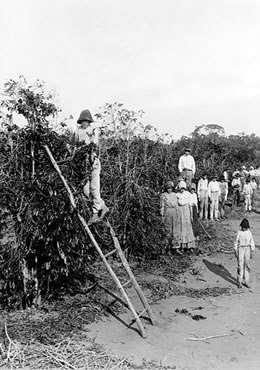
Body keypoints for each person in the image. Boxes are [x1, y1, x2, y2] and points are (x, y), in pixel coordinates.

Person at [76, 109, 109, 225]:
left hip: (92, 161)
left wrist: (90, 156)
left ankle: (95, 213)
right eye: (83, 121)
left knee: (94, 188)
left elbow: (93, 145)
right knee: (86, 189)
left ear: (89, 121)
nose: (85, 123)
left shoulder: (93, 130)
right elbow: (76, 145)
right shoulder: (78, 131)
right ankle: (103, 206)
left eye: (86, 121)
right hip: (83, 162)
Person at [234, 218, 255, 288]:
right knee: (240, 265)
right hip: (241, 248)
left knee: (247, 265)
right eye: (243, 227)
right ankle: (239, 281)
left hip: (247, 249)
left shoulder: (249, 232)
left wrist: (252, 250)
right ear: (241, 226)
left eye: (245, 228)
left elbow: (252, 241)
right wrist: (235, 250)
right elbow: (236, 242)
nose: (244, 229)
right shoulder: (239, 232)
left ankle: (246, 281)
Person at [160, 181, 181, 253]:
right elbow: (162, 206)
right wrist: (162, 215)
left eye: (170, 188)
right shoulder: (163, 195)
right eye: (168, 188)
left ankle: (175, 247)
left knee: (175, 229)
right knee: (167, 229)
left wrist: (178, 214)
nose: (169, 189)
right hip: (167, 212)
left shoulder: (175, 195)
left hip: (174, 212)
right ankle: (167, 247)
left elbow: (177, 205)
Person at [176, 186, 196, 251]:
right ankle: (182, 245)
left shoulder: (188, 194)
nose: (181, 190)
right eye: (180, 189)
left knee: (187, 226)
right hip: (180, 211)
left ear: (184, 189)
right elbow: (176, 205)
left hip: (186, 210)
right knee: (181, 227)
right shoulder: (177, 195)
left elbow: (190, 206)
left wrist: (191, 215)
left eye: (183, 189)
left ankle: (189, 245)